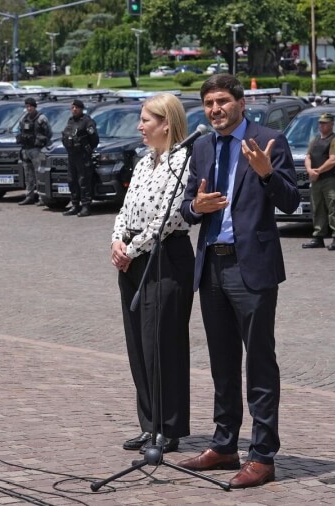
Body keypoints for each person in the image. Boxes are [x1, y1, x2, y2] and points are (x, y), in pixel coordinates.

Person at [177, 74, 300, 489]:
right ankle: (225, 443)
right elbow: (188, 206)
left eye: (223, 101)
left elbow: (290, 200)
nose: (216, 110)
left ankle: (263, 456)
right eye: (209, 103)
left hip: (253, 269)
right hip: (211, 265)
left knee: (259, 362)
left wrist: (266, 173)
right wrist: (195, 205)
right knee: (222, 362)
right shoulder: (202, 145)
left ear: (241, 103)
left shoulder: (270, 140)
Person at [110, 93, 194, 455]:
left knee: (162, 345)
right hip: (132, 258)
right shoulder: (145, 162)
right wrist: (116, 239)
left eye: (146, 120)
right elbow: (125, 208)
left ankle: (169, 428)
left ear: (167, 124)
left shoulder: (183, 162)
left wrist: (132, 248)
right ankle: (148, 424)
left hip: (165, 257)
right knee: (139, 346)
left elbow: (169, 217)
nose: (139, 126)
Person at [302, 112, 335, 250]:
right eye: (320, 123)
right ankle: (318, 237)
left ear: (332, 124)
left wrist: (318, 171)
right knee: (317, 208)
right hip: (316, 180)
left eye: (325, 123)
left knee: (333, 208)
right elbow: (308, 156)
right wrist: (310, 170)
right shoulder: (315, 140)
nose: (322, 125)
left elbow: (333, 160)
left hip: (329, 179)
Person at [61, 99, 99, 217]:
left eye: (76, 107)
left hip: (83, 156)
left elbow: (94, 139)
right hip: (72, 155)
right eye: (72, 107)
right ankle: (75, 205)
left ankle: (86, 206)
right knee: (72, 180)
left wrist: (87, 149)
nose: (74, 110)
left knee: (83, 181)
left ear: (81, 108)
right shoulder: (71, 121)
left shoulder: (87, 122)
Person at [16, 97, 52, 205]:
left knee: (39, 174)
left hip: (37, 150)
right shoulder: (23, 118)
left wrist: (41, 143)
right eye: (27, 106)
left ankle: (42, 197)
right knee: (28, 175)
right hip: (26, 149)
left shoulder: (41, 118)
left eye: (30, 106)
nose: (29, 108)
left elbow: (49, 133)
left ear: (34, 106)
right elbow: (20, 130)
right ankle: (29, 196)